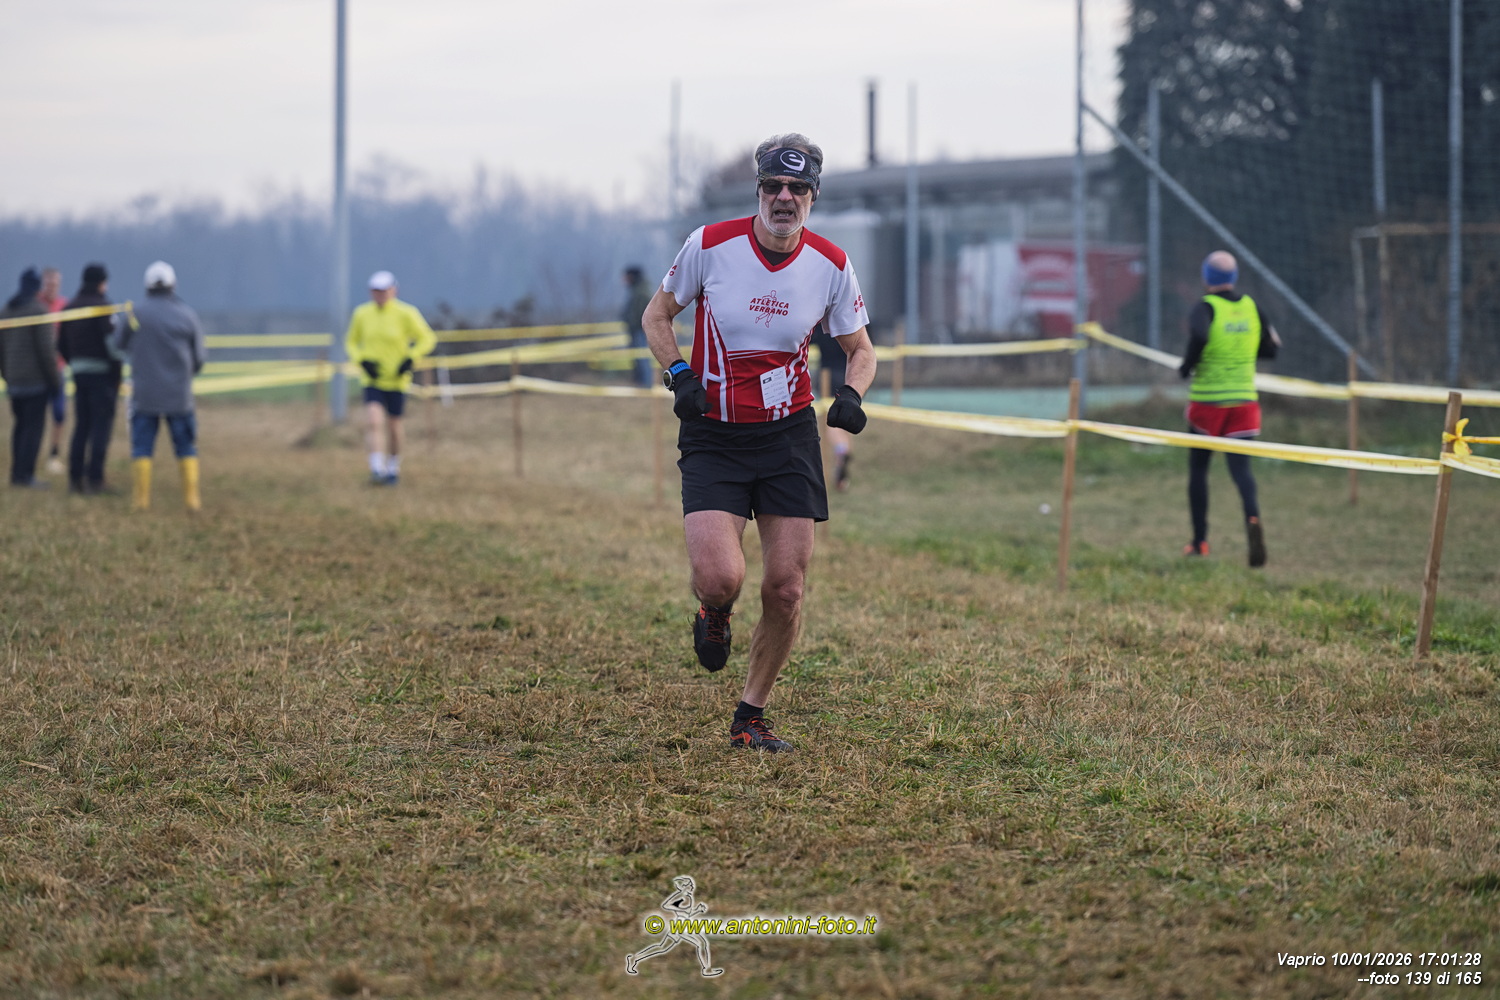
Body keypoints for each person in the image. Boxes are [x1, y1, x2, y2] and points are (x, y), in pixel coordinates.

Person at [642, 133, 876, 753]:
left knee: (787, 588)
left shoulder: (831, 263)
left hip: (787, 436)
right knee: (720, 577)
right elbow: (655, 316)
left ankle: (750, 716)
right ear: (758, 191)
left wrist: (852, 395)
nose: (784, 198)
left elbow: (861, 349)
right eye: (773, 186)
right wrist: (679, 373)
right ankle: (714, 611)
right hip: (714, 434)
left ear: (813, 196)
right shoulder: (709, 245)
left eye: (798, 188)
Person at [1177, 250, 1280, 567]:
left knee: (1199, 471)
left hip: (1208, 404)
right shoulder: (1252, 307)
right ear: (1233, 277)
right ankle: (1252, 519)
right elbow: (1272, 347)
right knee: (1242, 472)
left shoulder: (1205, 308)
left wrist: (1186, 367)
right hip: (1244, 403)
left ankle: (1200, 541)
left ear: (1206, 277)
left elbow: (1199, 335)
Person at [115, 261, 207, 512]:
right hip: (179, 395)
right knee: (186, 445)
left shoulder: (135, 314)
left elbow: (118, 344)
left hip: (144, 394)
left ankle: (140, 501)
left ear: (147, 285)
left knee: (142, 446)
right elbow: (199, 358)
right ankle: (191, 500)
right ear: (173, 284)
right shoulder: (188, 315)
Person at [344, 270, 436, 485]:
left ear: (394, 290)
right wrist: (362, 361)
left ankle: (393, 467)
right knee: (373, 420)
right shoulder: (362, 314)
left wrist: (410, 358)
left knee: (394, 426)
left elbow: (427, 338)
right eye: (376, 291)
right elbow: (350, 342)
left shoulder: (406, 313)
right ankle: (376, 468)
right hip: (373, 379)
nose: (380, 295)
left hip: (397, 380)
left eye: (384, 291)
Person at [58, 263, 123, 494]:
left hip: (79, 374)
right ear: (101, 283)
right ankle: (95, 480)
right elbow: (113, 345)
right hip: (102, 376)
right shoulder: (103, 307)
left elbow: (61, 344)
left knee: (81, 426)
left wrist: (75, 363)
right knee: (100, 428)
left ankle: (75, 479)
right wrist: (117, 373)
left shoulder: (70, 307)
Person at [0, 268, 62, 488]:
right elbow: (47, 351)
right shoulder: (38, 310)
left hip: (14, 381)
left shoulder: (7, 310)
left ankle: (17, 473)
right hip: (35, 382)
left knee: (19, 428)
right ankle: (26, 475)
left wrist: (7, 375)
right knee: (32, 430)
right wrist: (54, 381)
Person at [812, 322, 854, 490]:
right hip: (850, 376)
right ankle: (842, 479)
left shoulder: (822, 324)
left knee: (832, 422)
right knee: (845, 420)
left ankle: (841, 450)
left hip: (828, 377)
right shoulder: (855, 318)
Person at [38, 267, 69, 475]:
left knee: (59, 414)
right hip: (38, 370)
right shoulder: (36, 305)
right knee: (36, 415)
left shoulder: (64, 306)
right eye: (49, 283)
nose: (52, 287)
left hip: (58, 368)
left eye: (55, 284)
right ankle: (31, 453)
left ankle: (54, 455)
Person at [621, 265, 656, 388]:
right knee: (640, 358)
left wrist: (633, 323)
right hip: (638, 330)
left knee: (643, 358)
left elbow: (638, 313)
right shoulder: (638, 290)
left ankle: (646, 385)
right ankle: (643, 384)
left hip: (640, 330)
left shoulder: (641, 292)